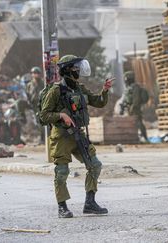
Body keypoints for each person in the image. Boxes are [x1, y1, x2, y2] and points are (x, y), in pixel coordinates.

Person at [39, 55, 113, 218]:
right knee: (62, 172)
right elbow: (43, 116)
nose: (79, 70)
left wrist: (105, 90)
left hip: (78, 135)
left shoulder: (80, 89)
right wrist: (60, 116)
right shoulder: (55, 91)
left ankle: (90, 203)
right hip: (61, 137)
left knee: (95, 165)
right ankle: (62, 207)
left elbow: (98, 101)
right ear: (67, 70)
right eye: (76, 68)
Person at [122, 71, 149, 143]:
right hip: (129, 108)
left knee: (139, 123)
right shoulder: (129, 88)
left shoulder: (135, 87)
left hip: (135, 109)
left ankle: (145, 137)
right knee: (131, 123)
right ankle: (133, 138)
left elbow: (136, 99)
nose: (125, 81)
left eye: (126, 79)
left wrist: (133, 107)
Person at [26, 66, 45, 143]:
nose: (35, 75)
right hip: (34, 105)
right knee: (38, 122)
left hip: (42, 104)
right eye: (34, 73)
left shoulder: (42, 83)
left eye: (37, 73)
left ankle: (43, 137)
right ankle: (41, 137)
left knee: (42, 122)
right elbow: (27, 94)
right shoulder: (29, 84)